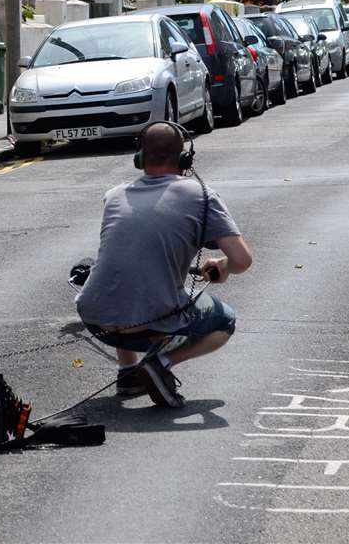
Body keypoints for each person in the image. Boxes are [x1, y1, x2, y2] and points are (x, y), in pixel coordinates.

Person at [76, 121, 253, 408]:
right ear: (184, 159)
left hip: (95, 317)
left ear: (140, 158)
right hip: (146, 321)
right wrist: (223, 266)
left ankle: (128, 374)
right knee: (224, 320)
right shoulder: (201, 196)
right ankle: (160, 363)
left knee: (130, 279)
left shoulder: (114, 195)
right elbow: (242, 260)